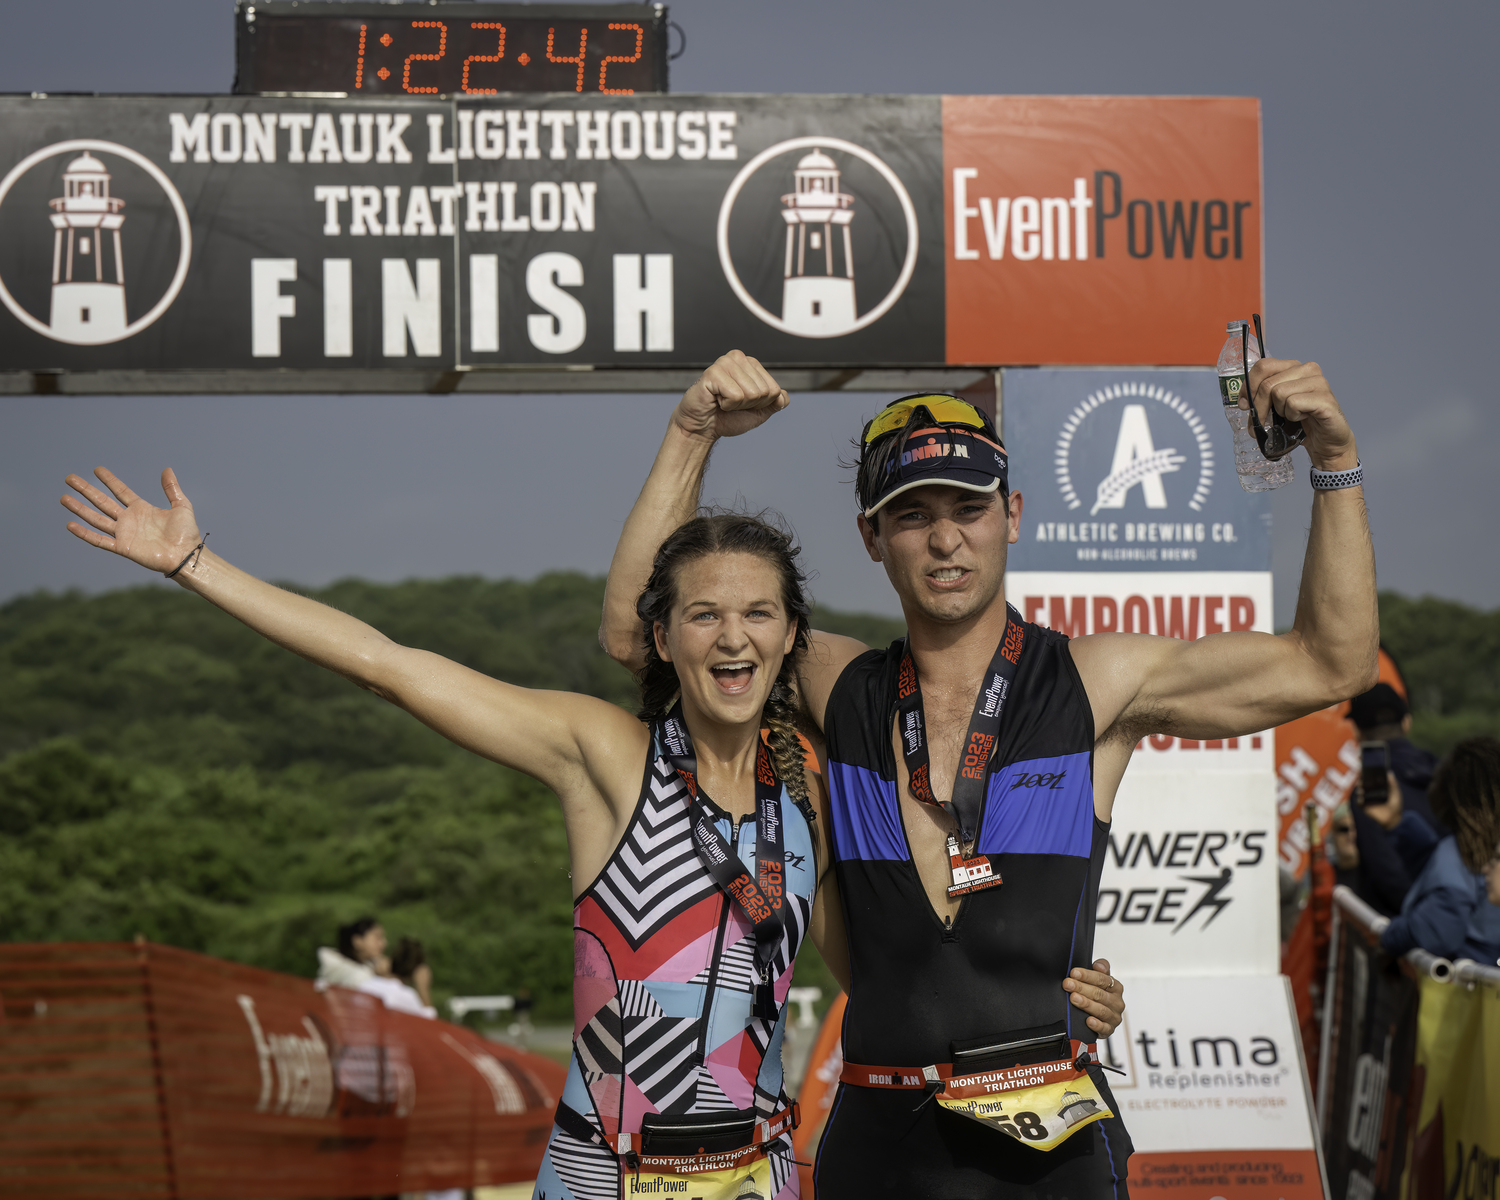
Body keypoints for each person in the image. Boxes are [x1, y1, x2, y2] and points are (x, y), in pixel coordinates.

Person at [58, 372, 1125, 1200]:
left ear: (793, 637)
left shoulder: (808, 794)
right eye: (703, 614)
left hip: (762, 1177)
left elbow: (900, 975)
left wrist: (1060, 999)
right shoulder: (603, 755)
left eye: (758, 614)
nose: (733, 638)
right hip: (605, 1173)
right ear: (664, 636)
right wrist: (199, 563)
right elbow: (389, 665)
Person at [602, 349, 1377, 1198]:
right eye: (911, 514)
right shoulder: (837, 684)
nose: (944, 539)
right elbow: (644, 634)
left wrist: (1334, 462)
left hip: (1048, 1153)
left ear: (1011, 515)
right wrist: (692, 431)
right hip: (877, 1141)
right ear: (870, 535)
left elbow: (1328, 665)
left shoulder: (1095, 682)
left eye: (968, 508)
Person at [1380, 737, 1500, 966]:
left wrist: (1387, 936)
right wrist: (1397, 825)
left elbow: (1438, 929)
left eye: (1437, 780)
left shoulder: (1459, 854)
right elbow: (1449, 878)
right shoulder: (1477, 848)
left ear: (1454, 795)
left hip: (1473, 993)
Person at [1349, 682, 1443, 878]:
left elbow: (1385, 871)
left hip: (1402, 907)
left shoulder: (1369, 787)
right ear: (1407, 722)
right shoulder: (1446, 771)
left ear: (1356, 731)